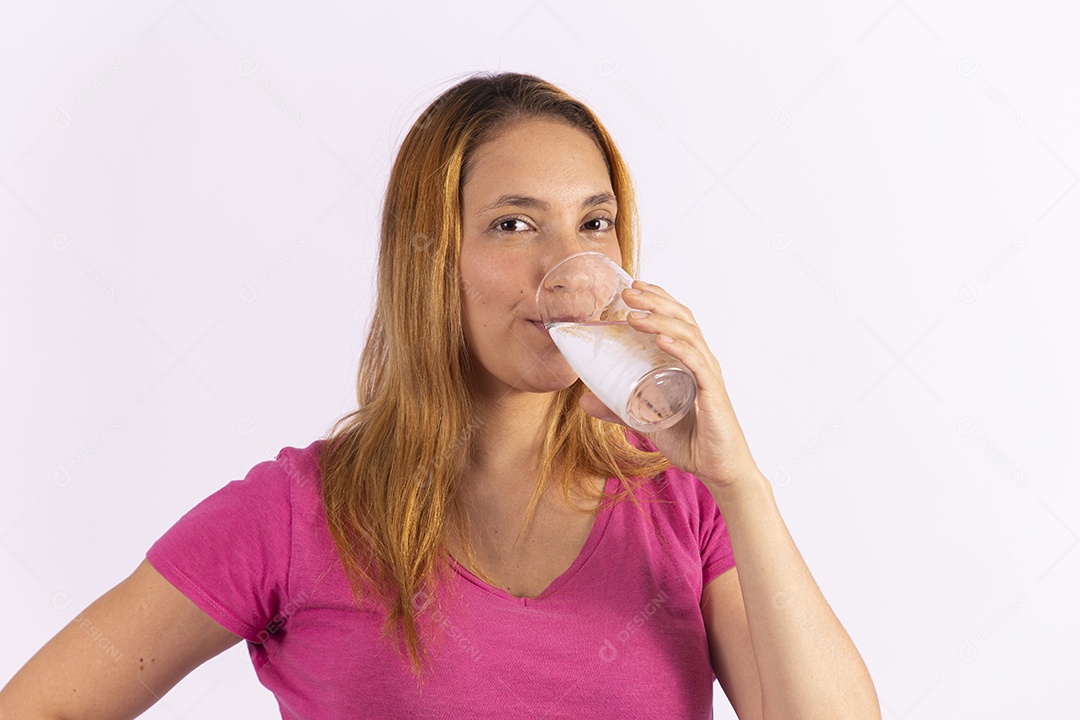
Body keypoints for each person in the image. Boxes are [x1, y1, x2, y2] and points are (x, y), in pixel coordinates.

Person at [0, 72, 880, 719]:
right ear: (431, 256)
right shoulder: (298, 514)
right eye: (513, 225)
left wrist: (741, 482)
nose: (565, 270)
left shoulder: (682, 501)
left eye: (594, 223)